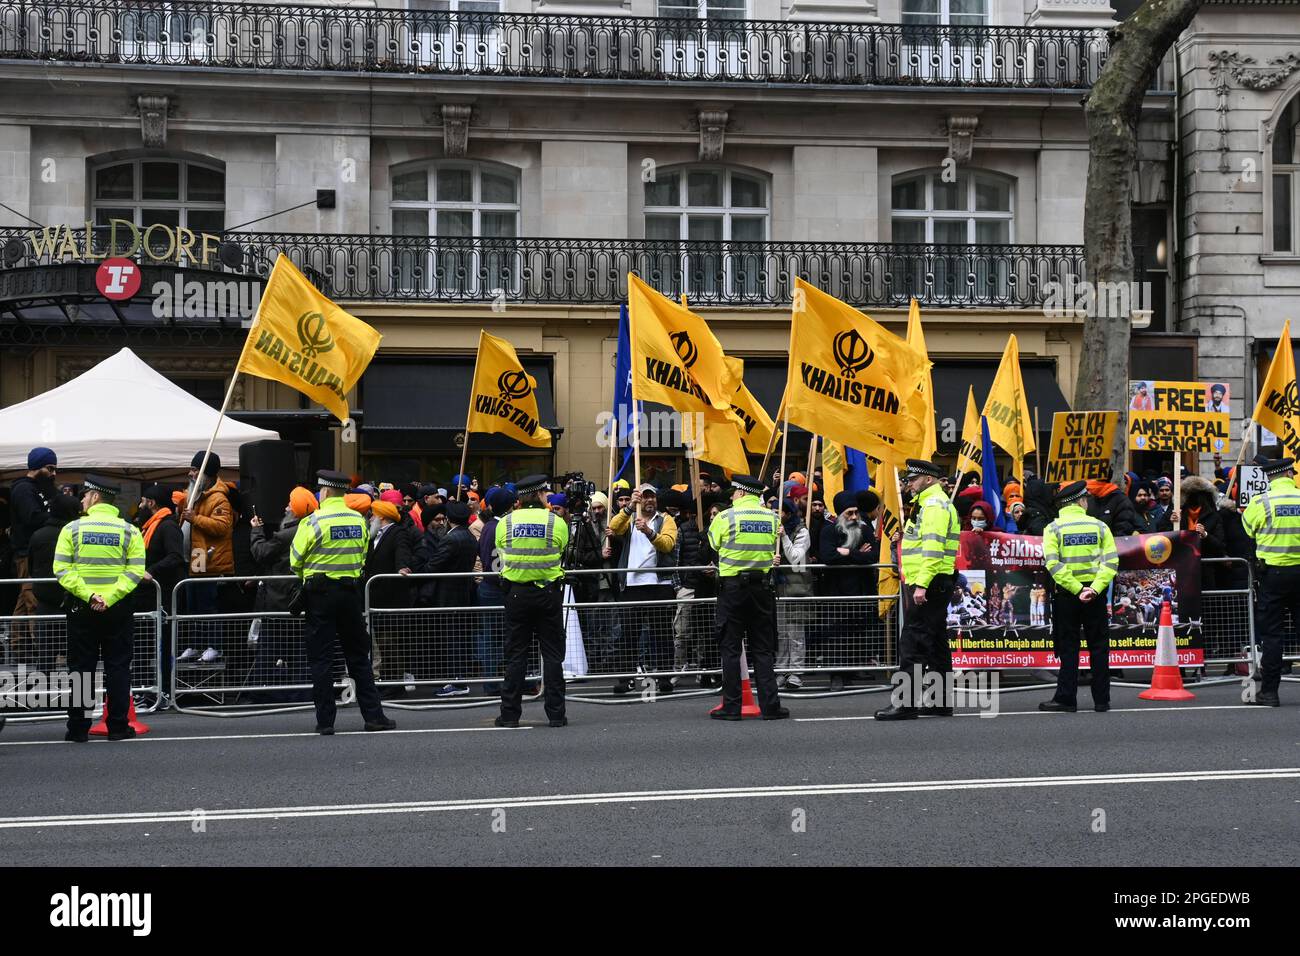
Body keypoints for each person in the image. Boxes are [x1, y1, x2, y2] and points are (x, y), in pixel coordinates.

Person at [289, 470, 396, 735]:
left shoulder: (313, 521)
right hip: (350, 594)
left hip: (319, 596)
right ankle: (374, 716)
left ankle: (326, 722)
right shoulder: (359, 520)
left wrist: (310, 575)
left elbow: (295, 561)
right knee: (359, 657)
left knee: (322, 660)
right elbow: (362, 557)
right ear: (344, 492)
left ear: (324, 492)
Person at [52, 476, 146, 742]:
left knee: (81, 669)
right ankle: (117, 726)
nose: (82, 500)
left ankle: (78, 729)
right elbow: (136, 571)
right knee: (118, 666)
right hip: (117, 609)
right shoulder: (130, 531)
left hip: (82, 608)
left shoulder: (71, 529)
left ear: (94, 497)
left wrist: (89, 595)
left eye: (84, 495)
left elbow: (61, 569)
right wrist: (110, 597)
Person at [875, 459, 960, 720]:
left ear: (929, 479)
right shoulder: (929, 504)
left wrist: (921, 584)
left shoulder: (933, 505)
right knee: (935, 643)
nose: (908, 483)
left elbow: (933, 550)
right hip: (935, 580)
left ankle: (905, 703)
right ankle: (939, 701)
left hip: (929, 582)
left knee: (912, 642)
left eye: (913, 479)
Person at [706, 474, 788, 720]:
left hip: (733, 590)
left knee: (730, 649)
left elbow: (713, 544)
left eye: (733, 492)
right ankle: (771, 707)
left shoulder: (725, 517)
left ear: (741, 493)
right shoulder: (772, 518)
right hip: (762, 589)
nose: (731, 496)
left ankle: (732, 707)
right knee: (763, 650)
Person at [494, 474, 569, 728]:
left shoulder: (506, 522)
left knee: (516, 656)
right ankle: (556, 715)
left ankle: (509, 715)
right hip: (548, 594)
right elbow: (561, 549)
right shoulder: (555, 521)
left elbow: (501, 551)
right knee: (552, 655)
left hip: (517, 594)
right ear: (540, 495)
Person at [1038, 480, 1119, 713]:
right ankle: (1102, 700)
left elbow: (1053, 564)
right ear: (1080, 501)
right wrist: (1093, 588)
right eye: (1086, 499)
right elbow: (1111, 562)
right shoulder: (1100, 526)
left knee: (1069, 647)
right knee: (1099, 646)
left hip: (1067, 595)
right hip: (1095, 594)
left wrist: (1076, 589)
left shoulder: (1053, 528)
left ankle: (1066, 699)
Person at [608, 483, 678, 695]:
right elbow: (613, 527)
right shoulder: (629, 519)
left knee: (662, 634)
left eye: (651, 497)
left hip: (659, 585)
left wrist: (648, 532)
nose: (648, 501)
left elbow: (668, 544)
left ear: (656, 500)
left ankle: (664, 676)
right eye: (644, 497)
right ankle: (626, 678)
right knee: (628, 635)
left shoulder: (666, 519)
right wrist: (629, 507)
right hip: (632, 585)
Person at [1241, 458, 1300, 707]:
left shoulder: (1261, 502)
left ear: (1269, 477)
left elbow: (1248, 530)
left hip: (1272, 577)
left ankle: (1270, 692)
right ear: (1288, 473)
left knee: (1273, 636)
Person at [416, 499, 478, 696]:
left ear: (450, 519)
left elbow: (434, 565)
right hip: (462, 593)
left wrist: (417, 571)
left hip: (449, 595)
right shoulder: (468, 536)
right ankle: (458, 679)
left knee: (453, 639)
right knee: (459, 638)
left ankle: (457, 681)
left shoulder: (451, 539)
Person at [178, 451, 234, 664]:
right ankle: (195, 644)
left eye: (195, 470)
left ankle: (214, 646)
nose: (190, 473)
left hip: (208, 559)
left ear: (206, 474)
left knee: (207, 605)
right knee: (193, 605)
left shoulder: (219, 498)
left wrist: (196, 518)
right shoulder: (196, 495)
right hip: (194, 557)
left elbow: (222, 527)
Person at [9, 447, 58, 664]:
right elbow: (32, 517)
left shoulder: (40, 488)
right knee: (33, 600)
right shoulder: (23, 490)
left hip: (33, 552)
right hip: (27, 553)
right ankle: (43, 655)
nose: (54, 473)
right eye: (50, 468)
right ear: (38, 466)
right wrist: (54, 517)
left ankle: (18, 647)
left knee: (25, 599)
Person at [364, 496, 414, 698]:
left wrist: (402, 567)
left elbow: (402, 553)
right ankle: (387, 683)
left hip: (390, 598)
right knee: (382, 644)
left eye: (372, 515)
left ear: (381, 517)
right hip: (376, 597)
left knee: (390, 644)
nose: (369, 519)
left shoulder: (398, 533)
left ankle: (394, 686)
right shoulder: (374, 536)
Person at [26, 494, 82, 672]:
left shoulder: (38, 535)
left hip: (45, 601)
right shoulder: (78, 535)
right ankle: (79, 694)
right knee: (78, 652)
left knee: (46, 654)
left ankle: (44, 695)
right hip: (74, 600)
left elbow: (30, 564)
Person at [775, 498, 812, 690]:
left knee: (795, 633)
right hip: (779, 587)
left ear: (788, 514)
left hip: (797, 587)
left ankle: (796, 673)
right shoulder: (773, 531)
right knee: (781, 633)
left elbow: (795, 557)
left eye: (778, 512)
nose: (775, 515)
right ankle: (781, 671)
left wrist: (783, 538)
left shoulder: (802, 531)